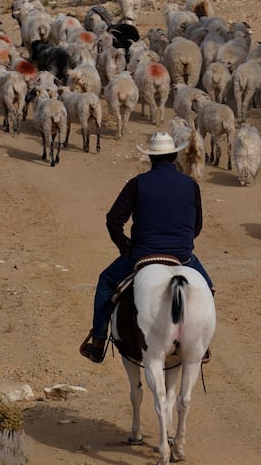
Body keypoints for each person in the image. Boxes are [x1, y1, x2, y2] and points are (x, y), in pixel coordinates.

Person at [79, 130, 214, 364]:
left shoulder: (137, 184)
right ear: (174, 156)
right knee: (208, 289)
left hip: (142, 254)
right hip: (182, 255)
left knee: (106, 282)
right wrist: (181, 242)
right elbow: (197, 225)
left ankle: (99, 341)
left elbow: (113, 220)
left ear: (151, 158)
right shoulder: (190, 185)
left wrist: (126, 247)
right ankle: (203, 344)